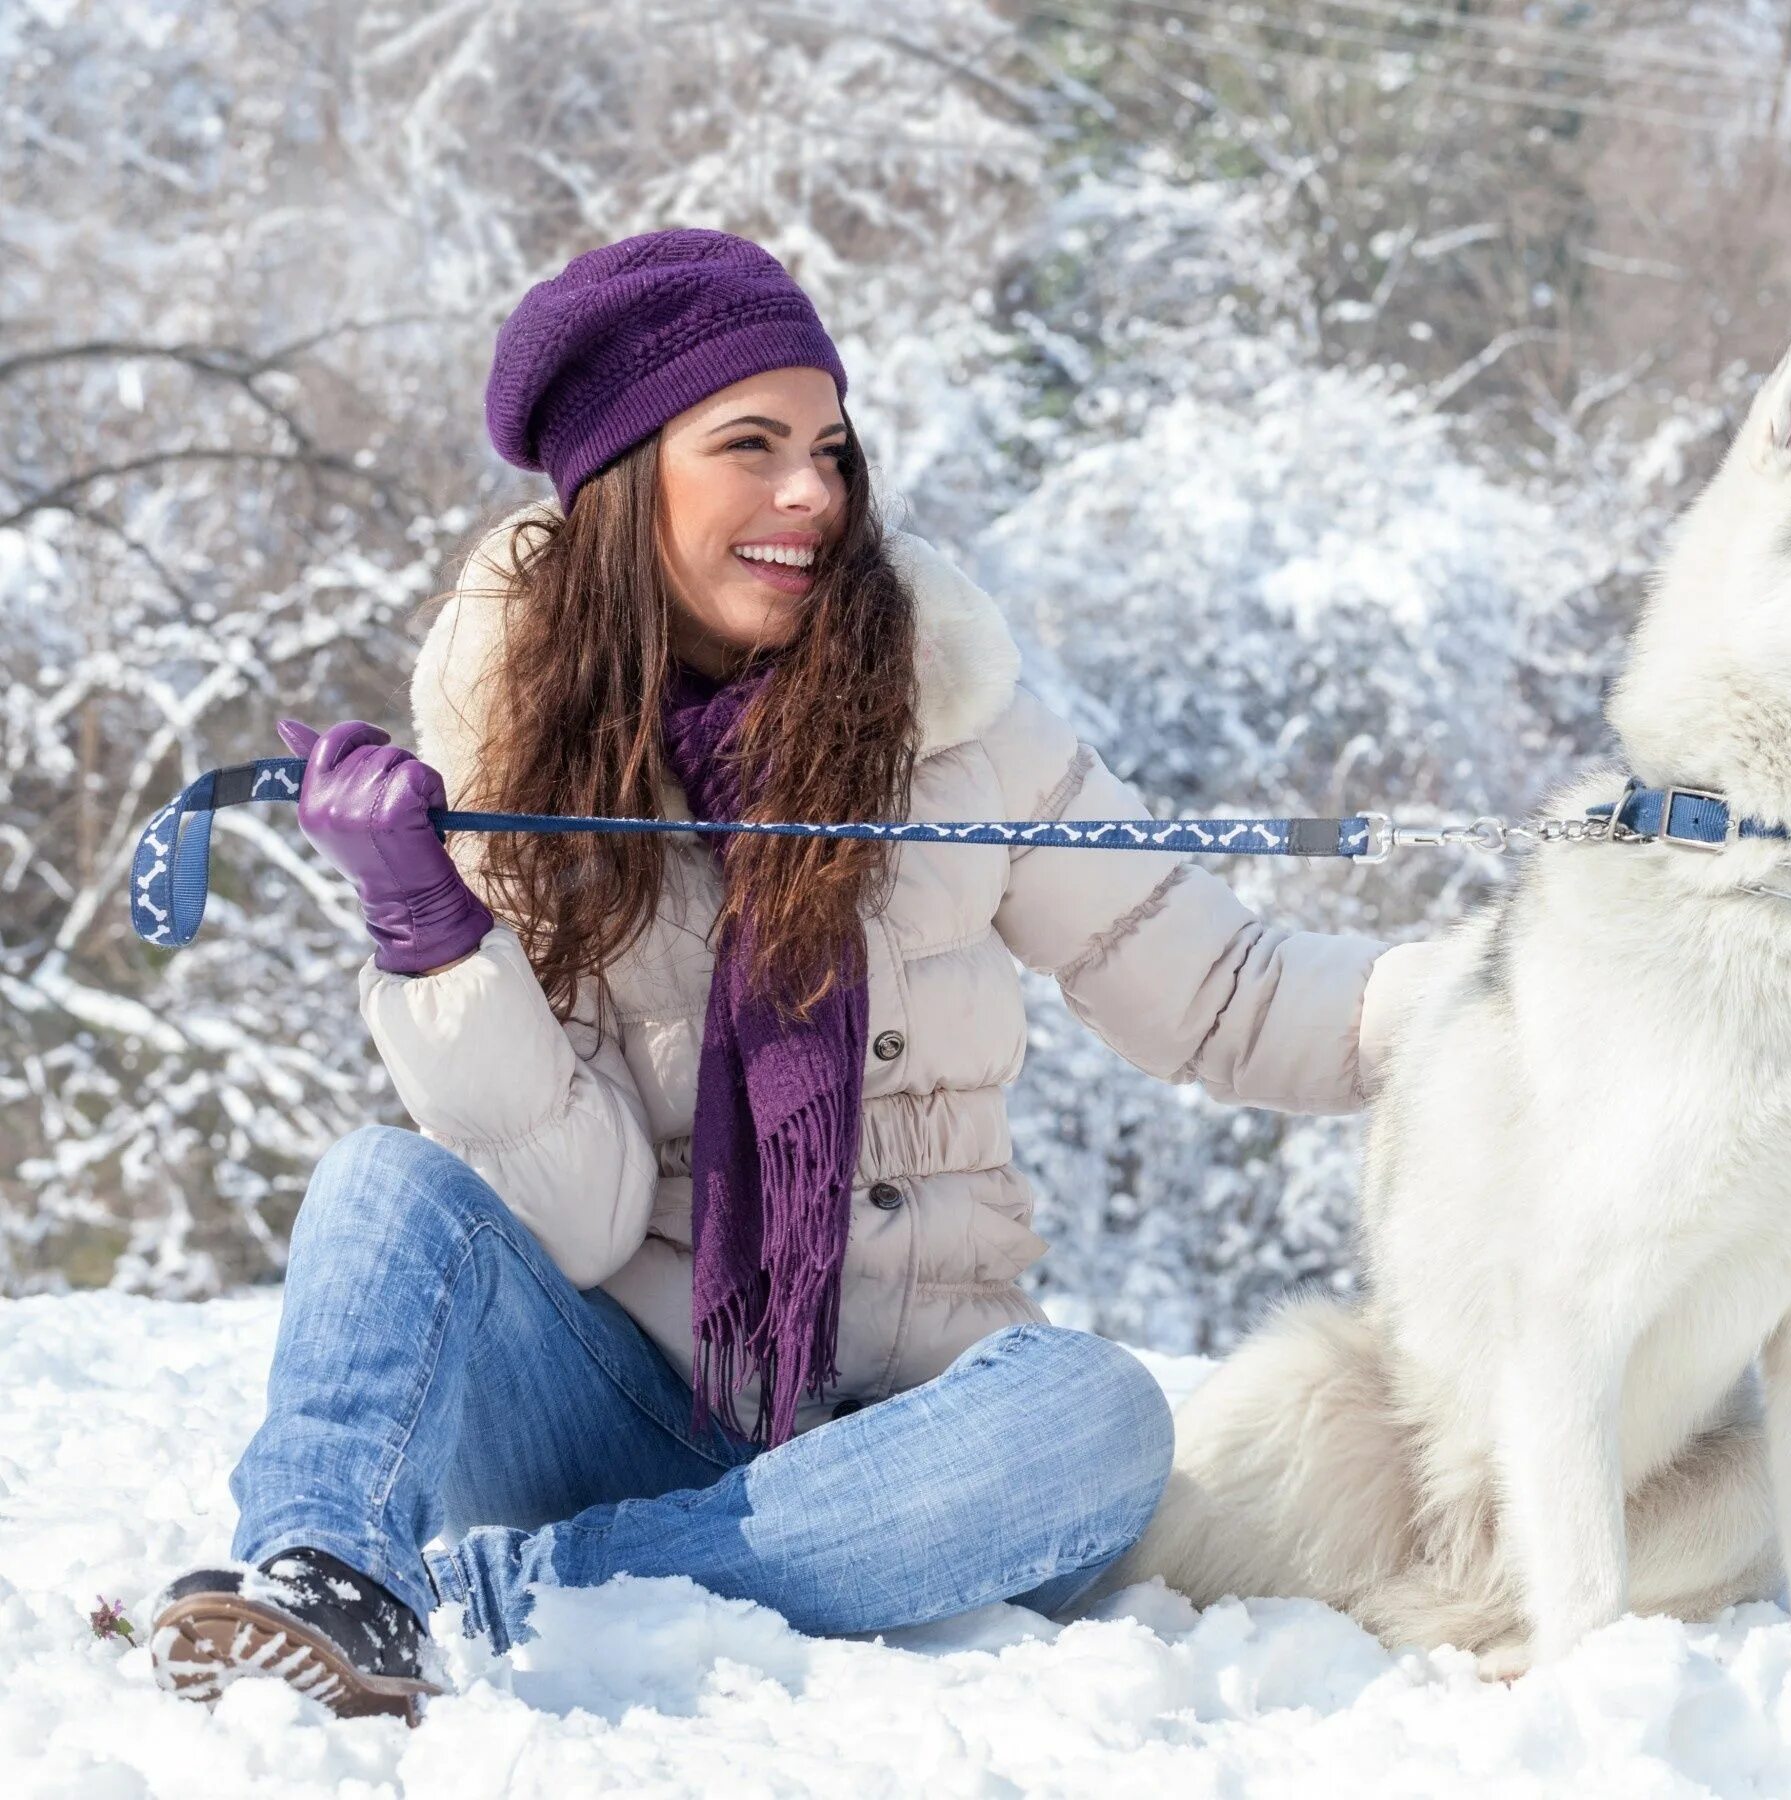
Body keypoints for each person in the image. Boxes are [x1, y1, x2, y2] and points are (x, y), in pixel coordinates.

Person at [145, 228, 1430, 1722]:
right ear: (625, 482)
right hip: (617, 1395)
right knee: (385, 1186)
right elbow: (579, 1213)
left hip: (902, 1443)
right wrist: (437, 943)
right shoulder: (516, 763)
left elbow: (1225, 991)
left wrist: (1492, 998)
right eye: (749, 446)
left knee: (1099, 1416)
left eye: (829, 446)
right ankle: (326, 1576)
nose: (811, 495)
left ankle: (529, 1591)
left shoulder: (955, 722)